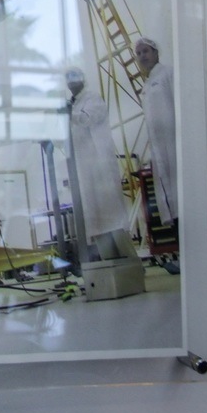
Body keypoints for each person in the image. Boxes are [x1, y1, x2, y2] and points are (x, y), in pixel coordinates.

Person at [66, 68, 130, 260]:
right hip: (84, 168)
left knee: (112, 214)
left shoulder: (92, 98)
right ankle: (110, 261)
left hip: (100, 165)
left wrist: (69, 114)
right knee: (96, 219)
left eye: (75, 76)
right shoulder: (72, 105)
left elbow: (88, 119)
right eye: (68, 78)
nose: (71, 81)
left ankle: (129, 260)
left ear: (83, 79)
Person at [135, 37, 178, 230]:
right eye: (139, 53)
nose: (142, 56)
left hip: (174, 142)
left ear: (155, 52)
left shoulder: (168, 73)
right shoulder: (147, 85)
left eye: (146, 51)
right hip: (159, 148)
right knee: (169, 196)